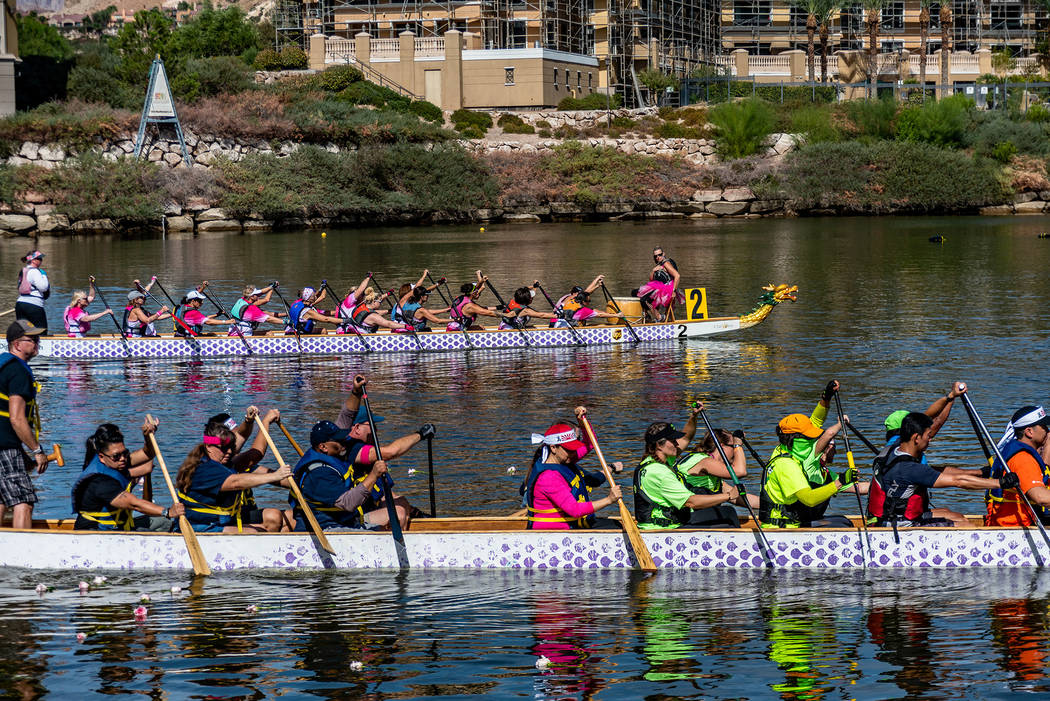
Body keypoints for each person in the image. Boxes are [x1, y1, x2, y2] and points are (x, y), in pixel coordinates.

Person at [873, 412, 1016, 530]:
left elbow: (939, 472)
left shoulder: (894, 451)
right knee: (967, 526)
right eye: (928, 436)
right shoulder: (911, 469)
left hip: (894, 516)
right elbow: (959, 482)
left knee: (955, 515)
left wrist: (979, 472)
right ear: (916, 438)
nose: (930, 440)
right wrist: (1000, 483)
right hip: (903, 526)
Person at [868, 382, 979, 525]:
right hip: (896, 519)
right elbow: (936, 420)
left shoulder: (897, 447)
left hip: (901, 510)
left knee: (953, 513)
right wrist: (951, 397)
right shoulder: (904, 445)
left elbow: (934, 420)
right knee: (963, 523)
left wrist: (976, 472)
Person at [760, 381, 866, 529]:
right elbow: (809, 499)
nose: (814, 440)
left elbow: (816, 421)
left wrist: (826, 397)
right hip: (782, 531)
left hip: (793, 523)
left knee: (844, 521)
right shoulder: (787, 465)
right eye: (809, 437)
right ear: (796, 439)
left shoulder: (789, 449)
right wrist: (840, 481)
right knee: (843, 526)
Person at [334, 374, 430, 521]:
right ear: (357, 428)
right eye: (371, 425)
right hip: (350, 516)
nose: (376, 430)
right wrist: (421, 434)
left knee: (401, 503)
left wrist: (415, 512)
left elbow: (386, 494)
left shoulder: (365, 450)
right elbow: (391, 452)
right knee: (398, 513)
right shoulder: (353, 449)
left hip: (368, 507)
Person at [174, 422, 292, 532]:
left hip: (222, 520)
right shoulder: (204, 469)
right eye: (224, 448)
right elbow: (235, 482)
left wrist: (249, 421)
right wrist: (275, 476)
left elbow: (242, 437)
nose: (229, 451)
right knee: (256, 533)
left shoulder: (222, 462)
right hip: (199, 525)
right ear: (209, 446)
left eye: (231, 447)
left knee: (273, 516)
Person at [634, 408, 740, 530]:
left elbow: (686, 438)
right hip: (663, 529)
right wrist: (728, 496)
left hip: (664, 522)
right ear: (659, 445)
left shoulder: (652, 461)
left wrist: (694, 416)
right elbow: (691, 502)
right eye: (673, 441)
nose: (677, 444)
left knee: (725, 512)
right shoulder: (659, 472)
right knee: (727, 514)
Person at [71, 420, 185, 530]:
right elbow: (135, 504)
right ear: (101, 457)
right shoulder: (100, 481)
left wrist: (148, 436)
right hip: (96, 532)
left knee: (166, 522)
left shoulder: (115, 461)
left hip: (120, 526)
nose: (122, 459)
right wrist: (167, 512)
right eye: (116, 456)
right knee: (165, 518)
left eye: (124, 453)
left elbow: (147, 455)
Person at [290, 420, 402, 531]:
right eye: (338, 439)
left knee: (385, 529)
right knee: (381, 536)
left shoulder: (333, 457)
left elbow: (347, 413)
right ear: (323, 447)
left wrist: (358, 400)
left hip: (343, 522)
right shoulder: (319, 473)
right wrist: (373, 475)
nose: (343, 441)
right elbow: (348, 504)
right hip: (325, 528)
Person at [520, 411, 622, 529]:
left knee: (615, 524)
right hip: (555, 532)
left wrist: (582, 422)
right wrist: (609, 500)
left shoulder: (564, 459)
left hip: (572, 524)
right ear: (553, 448)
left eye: (574, 448)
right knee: (615, 528)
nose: (573, 453)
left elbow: (590, 443)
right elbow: (575, 510)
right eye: (569, 449)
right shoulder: (548, 477)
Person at [205, 407, 294, 532]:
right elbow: (257, 453)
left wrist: (307, 483)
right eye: (231, 438)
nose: (234, 444)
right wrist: (266, 422)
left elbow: (241, 434)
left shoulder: (237, 461)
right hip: (226, 520)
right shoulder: (221, 464)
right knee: (273, 516)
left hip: (246, 514)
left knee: (295, 517)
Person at [0, 321, 48, 529]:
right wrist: (37, 450)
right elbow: (17, 418)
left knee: (2, 500)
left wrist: (23, 455)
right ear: (17, 344)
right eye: (32, 340)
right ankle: (22, 557)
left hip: (5, 445)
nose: (37, 343)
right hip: (5, 446)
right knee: (23, 501)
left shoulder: (3, 364)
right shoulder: (18, 372)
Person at [985, 406, 1050, 527]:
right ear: (1029, 432)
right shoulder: (1023, 459)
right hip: (1016, 529)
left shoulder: (1017, 450)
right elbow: (1040, 497)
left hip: (1014, 523)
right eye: (1044, 427)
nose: (1048, 431)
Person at [676, 427, 760, 521]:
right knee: (728, 512)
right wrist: (738, 445)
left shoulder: (712, 471)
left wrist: (772, 505)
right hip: (684, 518)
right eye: (733, 446)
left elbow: (737, 498)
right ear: (722, 446)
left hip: (695, 517)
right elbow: (740, 471)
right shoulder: (705, 462)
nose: (736, 452)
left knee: (725, 513)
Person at [551, 275, 624, 328]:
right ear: (574, 293)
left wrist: (597, 285)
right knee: (593, 312)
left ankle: (611, 318)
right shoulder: (570, 298)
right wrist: (616, 315)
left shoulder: (572, 300)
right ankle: (615, 318)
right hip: (560, 322)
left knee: (592, 312)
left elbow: (587, 292)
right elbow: (587, 292)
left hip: (558, 321)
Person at [637, 246, 683, 322]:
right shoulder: (659, 265)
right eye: (655, 256)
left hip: (667, 290)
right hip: (660, 288)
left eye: (660, 255)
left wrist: (673, 291)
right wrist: (653, 271)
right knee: (637, 293)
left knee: (644, 299)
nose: (658, 257)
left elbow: (677, 276)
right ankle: (650, 317)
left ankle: (659, 317)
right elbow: (651, 281)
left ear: (664, 254)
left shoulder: (666, 263)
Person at [347, 288, 412, 334]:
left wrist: (387, 294)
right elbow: (388, 323)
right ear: (374, 302)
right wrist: (405, 326)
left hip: (354, 332)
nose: (381, 303)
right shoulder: (373, 316)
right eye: (380, 302)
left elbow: (376, 299)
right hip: (364, 338)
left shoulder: (362, 305)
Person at [15, 251, 50, 334]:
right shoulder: (35, 271)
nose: (41, 260)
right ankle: (41, 346)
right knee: (41, 331)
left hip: (20, 304)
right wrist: (44, 275)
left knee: (25, 332)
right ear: (33, 260)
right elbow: (44, 287)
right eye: (39, 258)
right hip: (34, 305)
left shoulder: (23, 271)